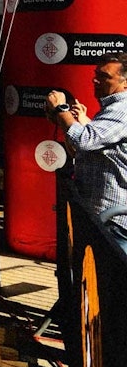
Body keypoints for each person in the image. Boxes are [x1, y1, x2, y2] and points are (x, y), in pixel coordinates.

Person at [45, 52, 127, 253]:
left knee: (114, 272)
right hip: (101, 217)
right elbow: (86, 149)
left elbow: (84, 140)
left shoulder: (122, 109)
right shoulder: (111, 108)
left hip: (113, 221)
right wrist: (72, 121)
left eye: (105, 76)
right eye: (96, 74)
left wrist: (61, 109)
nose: (95, 80)